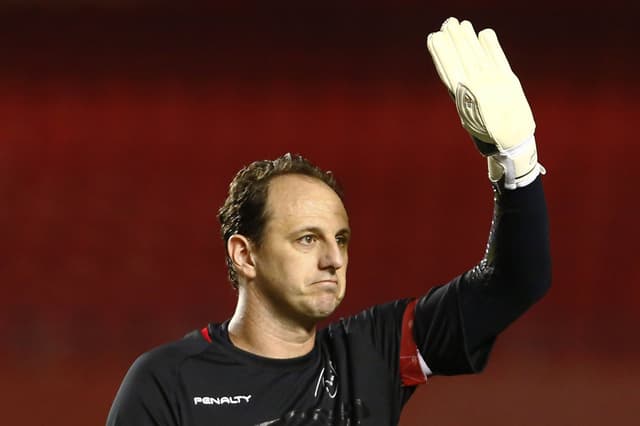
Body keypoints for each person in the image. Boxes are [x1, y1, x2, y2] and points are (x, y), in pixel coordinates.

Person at [106, 17, 551, 426]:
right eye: (306, 239)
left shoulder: (374, 352)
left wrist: (517, 164)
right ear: (245, 254)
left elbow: (514, 283)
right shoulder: (168, 381)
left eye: (341, 239)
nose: (333, 258)